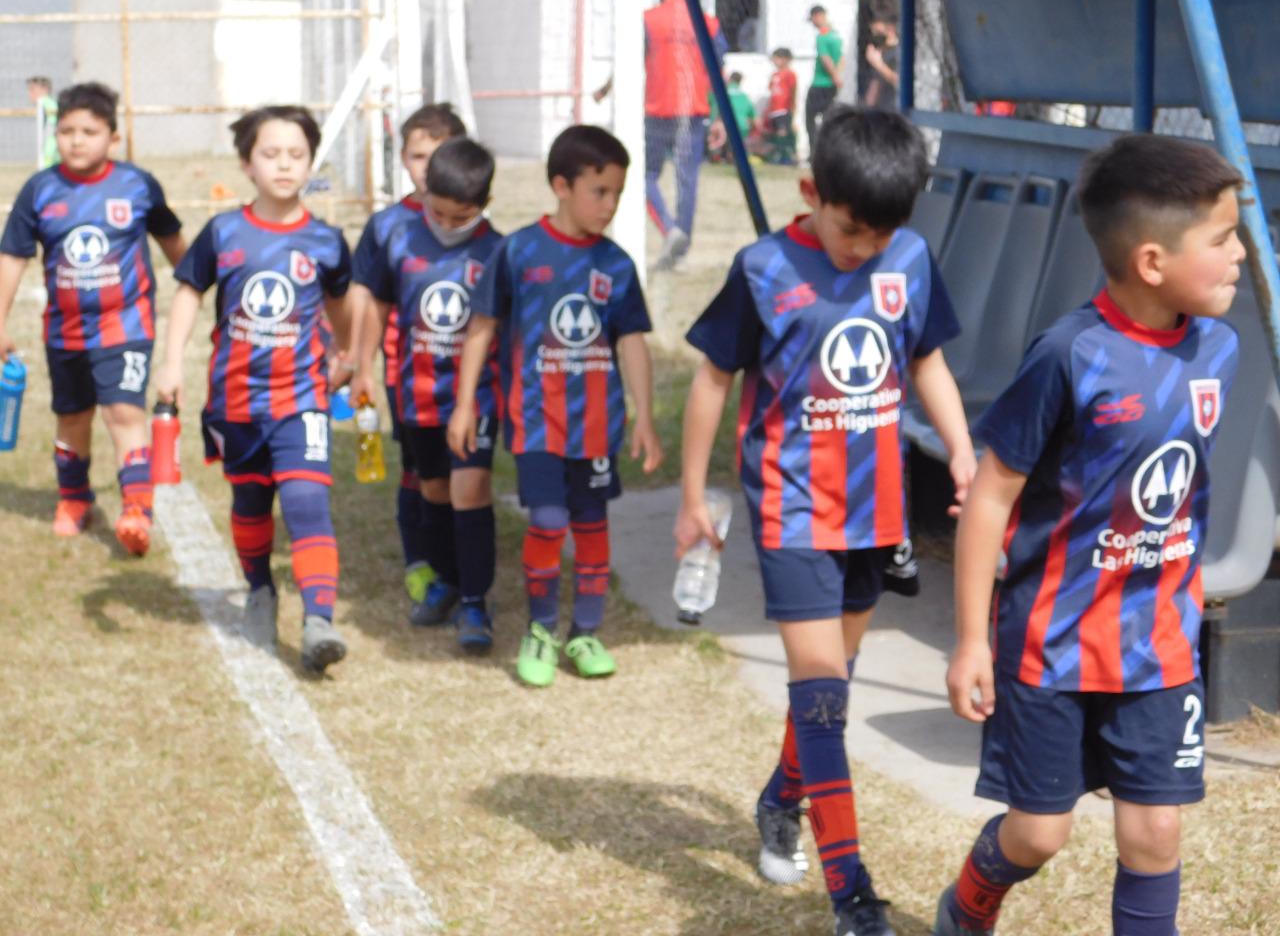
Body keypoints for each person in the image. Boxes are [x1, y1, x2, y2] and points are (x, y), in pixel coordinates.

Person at [933, 134, 1245, 936]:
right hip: (1052, 648)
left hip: (1160, 646)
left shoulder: (1221, 347)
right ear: (1151, 261)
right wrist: (971, 641)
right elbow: (992, 496)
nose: (1241, 253)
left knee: (1156, 832)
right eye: (1222, 238)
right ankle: (968, 906)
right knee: (1039, 834)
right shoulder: (1069, 356)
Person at [676, 107, 975, 936]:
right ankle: (853, 894)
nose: (866, 248)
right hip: (791, 509)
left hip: (877, 511)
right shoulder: (763, 267)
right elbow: (711, 380)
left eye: (882, 234)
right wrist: (694, 496)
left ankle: (780, 798)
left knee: (828, 692)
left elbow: (928, 362)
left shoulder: (908, 259)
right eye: (852, 231)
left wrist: (959, 450)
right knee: (819, 698)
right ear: (811, 192)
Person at [448, 124, 663, 687]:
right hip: (537, 423)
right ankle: (541, 629)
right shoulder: (517, 251)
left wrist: (643, 416)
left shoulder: (616, 266)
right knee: (547, 520)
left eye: (618, 192)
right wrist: (465, 403)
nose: (610, 205)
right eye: (600, 192)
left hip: (596, 429)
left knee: (591, 525)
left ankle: (585, 631)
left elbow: (631, 341)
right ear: (561, 185)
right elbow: (482, 327)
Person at [154, 106, 356, 673]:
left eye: (296, 155)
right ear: (247, 163)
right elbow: (190, 292)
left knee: (307, 500)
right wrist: (171, 363)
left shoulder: (326, 240)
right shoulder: (224, 231)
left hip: (302, 398)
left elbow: (340, 305)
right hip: (236, 401)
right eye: (271, 154)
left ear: (310, 162)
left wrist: (347, 355)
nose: (285, 165)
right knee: (250, 501)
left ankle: (319, 619)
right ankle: (260, 590)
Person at [0, 82, 185, 554]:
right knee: (72, 419)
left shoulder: (137, 186)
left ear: (113, 138)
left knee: (124, 411)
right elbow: (11, 260)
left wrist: (197, 288)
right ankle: (74, 498)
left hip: (126, 326)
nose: (77, 140)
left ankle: (137, 508)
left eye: (89, 131)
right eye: (66, 131)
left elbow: (174, 242)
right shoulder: (39, 190)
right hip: (64, 331)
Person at [351, 137, 504, 652]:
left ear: (483, 206)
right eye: (437, 212)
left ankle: (476, 602)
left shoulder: (497, 250)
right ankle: (445, 580)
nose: (446, 223)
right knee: (434, 490)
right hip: (415, 393)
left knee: (471, 489)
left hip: (475, 395)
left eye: (460, 217)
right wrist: (364, 367)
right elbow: (375, 305)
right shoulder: (401, 238)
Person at [348, 103, 467, 612]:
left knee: (462, 471)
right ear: (404, 160)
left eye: (439, 156)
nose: (427, 167)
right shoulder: (388, 225)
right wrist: (362, 364)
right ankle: (422, 559)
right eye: (418, 156)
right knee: (417, 468)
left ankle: (463, 558)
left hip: (463, 376)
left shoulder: (473, 224)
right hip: (407, 371)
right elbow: (367, 298)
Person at [645, 0, 728, 271]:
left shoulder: (649, 19)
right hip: (693, 110)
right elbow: (720, 72)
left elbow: (630, 61)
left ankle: (670, 231)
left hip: (657, 108)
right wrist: (719, 116)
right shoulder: (709, 23)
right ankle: (680, 249)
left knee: (645, 175)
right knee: (687, 179)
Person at [806, 5, 845, 159]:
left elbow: (825, 58)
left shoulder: (822, 36)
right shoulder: (836, 35)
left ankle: (815, 153)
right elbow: (841, 58)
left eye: (813, 19)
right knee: (829, 119)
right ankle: (830, 151)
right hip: (832, 86)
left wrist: (834, 75)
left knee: (810, 120)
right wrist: (838, 77)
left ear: (818, 16)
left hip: (819, 84)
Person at [708, 71, 757, 164]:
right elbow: (753, 115)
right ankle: (732, 157)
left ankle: (717, 157)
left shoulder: (720, 91)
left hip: (723, 124)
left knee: (718, 141)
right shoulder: (744, 96)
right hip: (742, 126)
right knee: (735, 145)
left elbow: (711, 103)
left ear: (730, 79)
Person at [766, 48, 798, 165]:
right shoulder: (774, 74)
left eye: (777, 58)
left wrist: (792, 107)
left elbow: (793, 91)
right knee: (775, 132)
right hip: (774, 109)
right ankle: (777, 154)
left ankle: (784, 157)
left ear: (785, 60)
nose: (774, 61)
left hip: (783, 109)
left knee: (783, 131)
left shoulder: (790, 74)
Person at [863, 16, 900, 110]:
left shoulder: (899, 52)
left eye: (878, 33)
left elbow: (899, 81)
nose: (875, 36)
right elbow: (875, 83)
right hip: (879, 109)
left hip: (893, 108)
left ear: (891, 29)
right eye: (873, 33)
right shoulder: (881, 52)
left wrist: (878, 64)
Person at [26, 76, 59, 169]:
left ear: (45, 90)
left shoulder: (46, 103)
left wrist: (49, 151)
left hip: (51, 153)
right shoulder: (44, 104)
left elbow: (52, 128)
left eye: (32, 89)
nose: (29, 93)